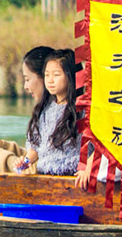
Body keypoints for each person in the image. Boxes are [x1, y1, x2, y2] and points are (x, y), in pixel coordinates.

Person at [0, 46, 54, 174]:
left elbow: (40, 170)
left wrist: (0, 157)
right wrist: (1, 145)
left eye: (27, 79)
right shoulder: (48, 112)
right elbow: (35, 157)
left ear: (46, 77)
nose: (25, 86)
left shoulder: (61, 116)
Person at [12, 48, 80, 176]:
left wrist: (87, 169)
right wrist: (25, 162)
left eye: (56, 75)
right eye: (47, 75)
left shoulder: (82, 110)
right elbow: (36, 148)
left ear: (70, 76)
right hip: (45, 175)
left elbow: (95, 145)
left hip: (71, 176)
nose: (50, 80)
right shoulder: (44, 110)